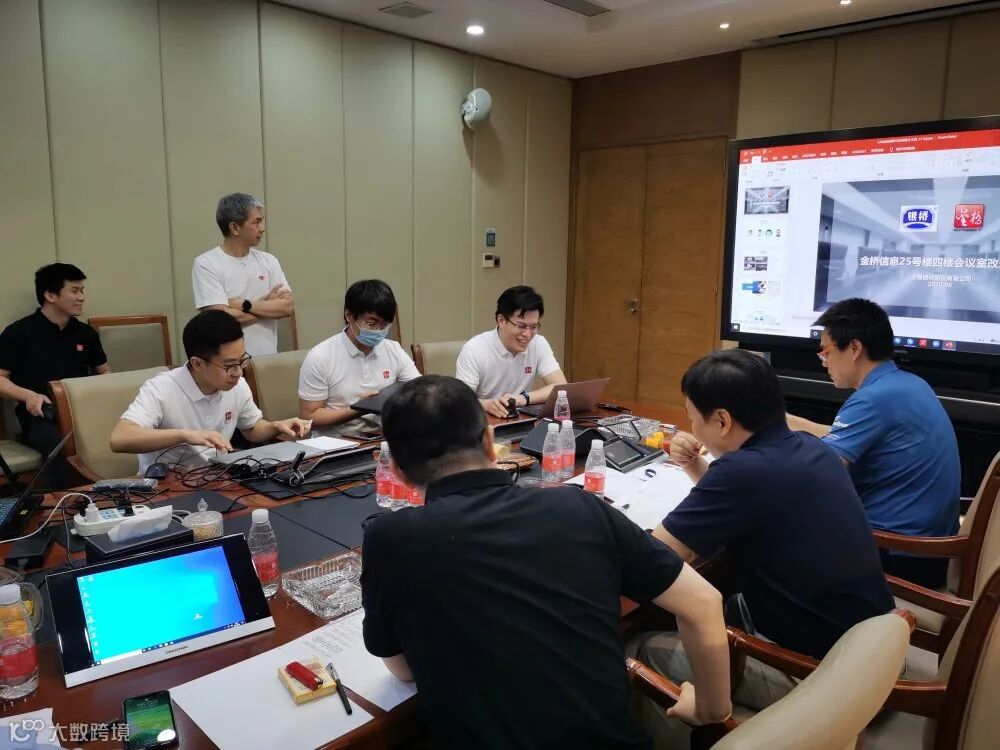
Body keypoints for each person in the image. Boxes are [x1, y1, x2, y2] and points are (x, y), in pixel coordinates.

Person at [361, 375, 732, 749]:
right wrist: (711, 711)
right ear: (490, 441)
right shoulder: (578, 505)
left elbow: (403, 670)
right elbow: (703, 601)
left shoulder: (390, 539)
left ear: (397, 472)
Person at [636, 349, 894, 745]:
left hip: (818, 677)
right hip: (872, 653)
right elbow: (749, 501)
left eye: (692, 417)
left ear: (722, 420)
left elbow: (656, 560)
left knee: (641, 646)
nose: (692, 427)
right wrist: (695, 467)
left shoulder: (740, 472)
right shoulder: (810, 447)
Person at [787, 298, 960, 588]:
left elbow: (818, 473)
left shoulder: (873, 399)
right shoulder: (907, 384)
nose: (824, 362)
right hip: (929, 551)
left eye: (826, 352)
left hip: (899, 556)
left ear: (854, 348)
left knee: (772, 534)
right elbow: (836, 436)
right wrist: (778, 419)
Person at [110, 310, 310, 475]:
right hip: (168, 485)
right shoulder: (161, 389)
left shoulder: (237, 385)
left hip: (220, 478)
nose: (238, 372)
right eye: (229, 365)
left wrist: (276, 426)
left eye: (242, 361)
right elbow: (120, 439)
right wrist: (184, 435)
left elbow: (251, 428)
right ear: (197, 363)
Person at [0, 264, 110, 484]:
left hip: (82, 408)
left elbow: (104, 371)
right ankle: (61, 500)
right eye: (74, 291)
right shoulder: (18, 333)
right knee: (56, 445)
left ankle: (112, 491)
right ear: (50, 295)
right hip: (41, 412)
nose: (81, 297)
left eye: (82, 290)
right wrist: (28, 395)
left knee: (113, 433)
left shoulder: (85, 333)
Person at [298, 280, 419, 437]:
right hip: (337, 442)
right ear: (349, 315)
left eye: (384, 325)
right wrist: (360, 408)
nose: (378, 331)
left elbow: (419, 390)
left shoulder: (393, 349)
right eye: (371, 323)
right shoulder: (321, 357)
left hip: (383, 438)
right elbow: (309, 417)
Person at [192, 193, 293, 356]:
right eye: (256, 222)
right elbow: (220, 320)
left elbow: (287, 307)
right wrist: (267, 305)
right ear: (235, 228)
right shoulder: (206, 263)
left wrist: (242, 305)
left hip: (267, 360)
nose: (262, 228)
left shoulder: (269, 260)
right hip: (228, 365)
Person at [456, 285, 567, 418]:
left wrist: (524, 398)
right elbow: (460, 401)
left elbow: (561, 387)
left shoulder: (538, 343)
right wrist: (485, 404)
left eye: (533, 327)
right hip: (484, 420)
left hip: (520, 418)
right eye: (521, 326)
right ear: (501, 320)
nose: (527, 334)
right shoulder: (475, 349)